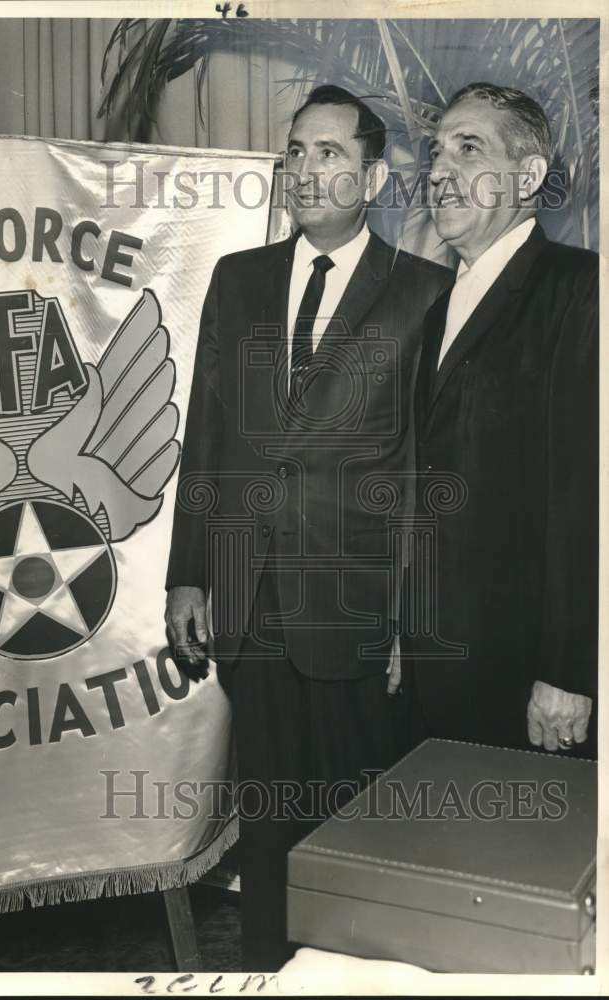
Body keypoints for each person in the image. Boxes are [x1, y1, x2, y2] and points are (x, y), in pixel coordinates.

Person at [165, 85, 453, 971]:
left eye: (328, 153)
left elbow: (424, 471)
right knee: (270, 832)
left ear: (372, 175)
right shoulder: (237, 281)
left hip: (358, 610)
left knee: (354, 835)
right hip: (250, 600)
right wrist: (188, 574)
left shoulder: (426, 294)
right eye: (295, 152)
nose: (305, 170)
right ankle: (262, 977)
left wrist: (412, 612)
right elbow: (208, 433)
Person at [405, 83, 598, 755]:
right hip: (435, 670)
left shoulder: (580, 291)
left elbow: (587, 497)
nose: (439, 171)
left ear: (529, 175)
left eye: (469, 148)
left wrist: (570, 672)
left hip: (527, 679)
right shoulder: (436, 312)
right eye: (436, 152)